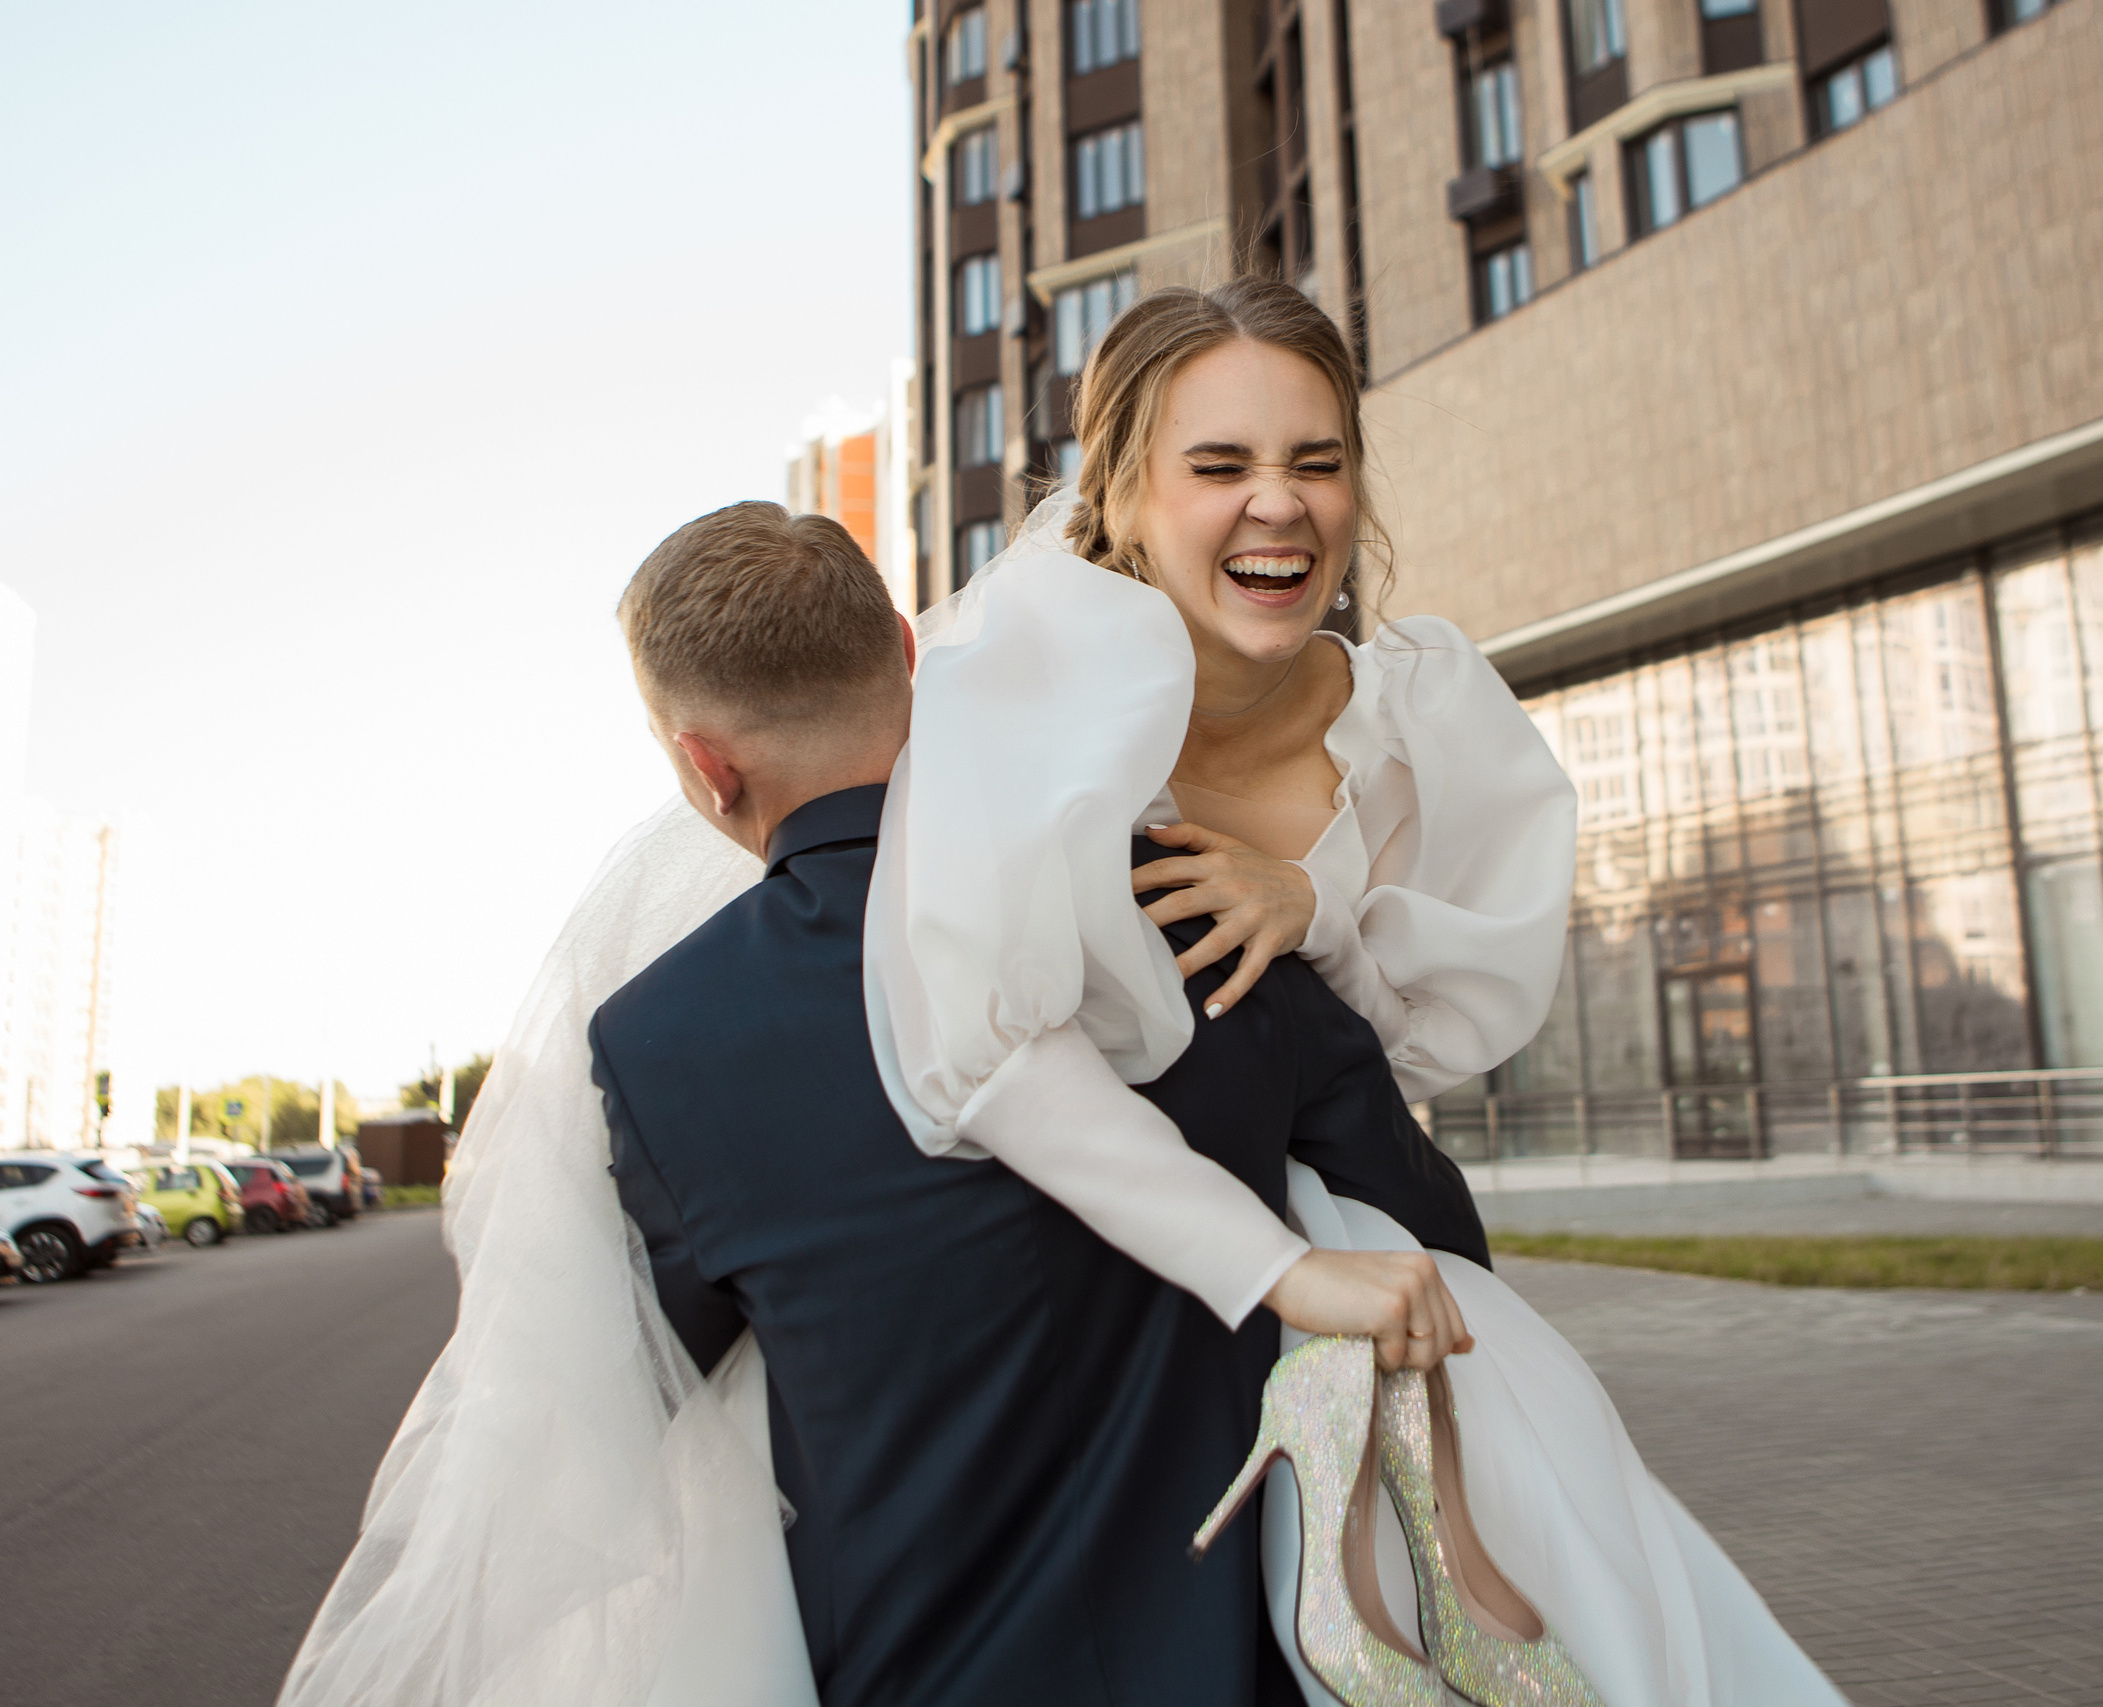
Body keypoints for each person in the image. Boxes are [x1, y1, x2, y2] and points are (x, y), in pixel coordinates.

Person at [277, 503, 1487, 1707]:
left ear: (705, 764)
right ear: (910, 657)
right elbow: (1435, 1244)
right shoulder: (1201, 903)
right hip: (1252, 1671)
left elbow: (637, 1387)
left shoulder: (663, 1042)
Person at [866, 277, 1853, 1707]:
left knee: (1560, 1610)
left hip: (1381, 1255)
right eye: (1221, 467)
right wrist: (1270, 1270)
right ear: (1127, 496)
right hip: (1102, 1291)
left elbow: (1436, 1024)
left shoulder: (1419, 721)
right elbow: (979, 1047)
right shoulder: (1014, 694)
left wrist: (1314, 903)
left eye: (1316, 463)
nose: (1281, 505)